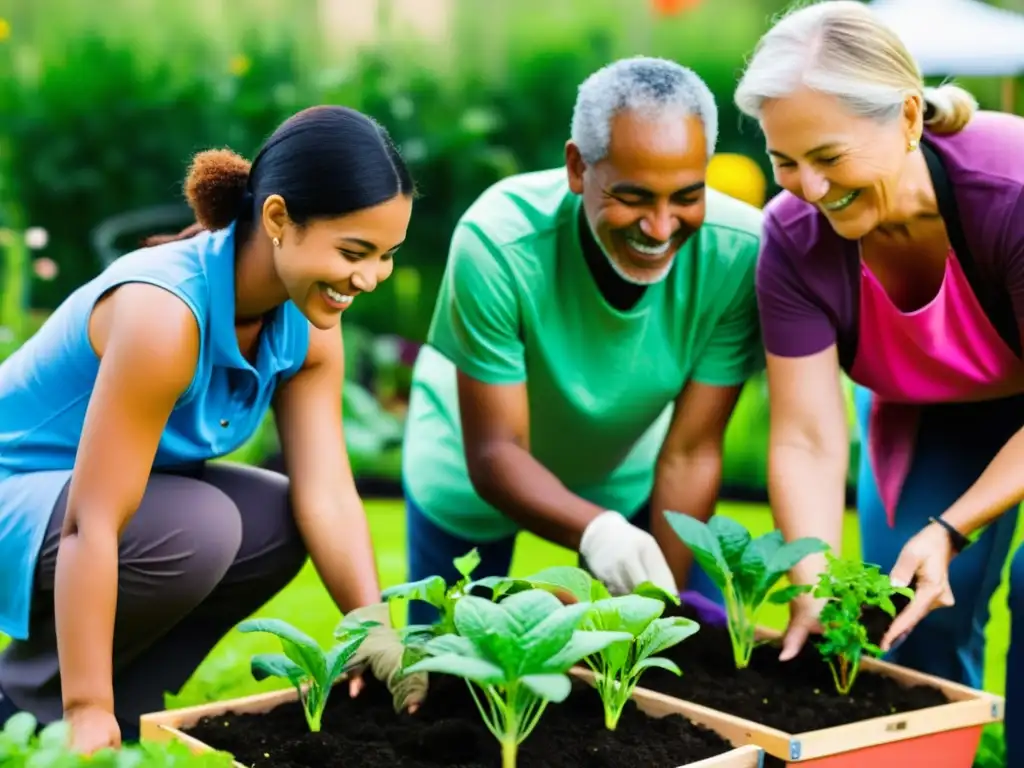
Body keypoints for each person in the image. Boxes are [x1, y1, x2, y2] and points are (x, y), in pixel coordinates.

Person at [0, 105, 419, 753]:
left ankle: (132, 702)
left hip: (94, 509)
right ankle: (35, 699)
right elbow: (93, 522)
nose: (368, 279)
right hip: (20, 493)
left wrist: (374, 631)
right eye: (353, 252)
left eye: (387, 256)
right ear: (278, 219)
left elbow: (328, 495)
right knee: (203, 528)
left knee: (277, 522)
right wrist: (85, 708)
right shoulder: (163, 317)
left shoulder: (306, 328)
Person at [733, 1, 1024, 761]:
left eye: (828, 155)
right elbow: (804, 436)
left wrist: (952, 528)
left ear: (904, 118)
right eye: (783, 160)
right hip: (937, 412)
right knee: (909, 619)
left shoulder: (1013, 192)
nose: (808, 185)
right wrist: (811, 575)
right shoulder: (793, 241)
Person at [399, 56, 765, 626]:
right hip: (471, 471)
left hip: (626, 470)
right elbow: (497, 452)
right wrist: (595, 531)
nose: (662, 227)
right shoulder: (498, 242)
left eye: (686, 196)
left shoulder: (736, 252)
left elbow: (692, 452)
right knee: (450, 670)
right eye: (635, 197)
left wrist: (653, 620)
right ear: (577, 167)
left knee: (690, 648)